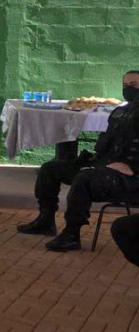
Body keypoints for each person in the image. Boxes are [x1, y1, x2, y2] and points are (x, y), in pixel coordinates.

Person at [16, 70, 139, 252]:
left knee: (84, 179)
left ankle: (72, 234)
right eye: (125, 86)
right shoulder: (120, 112)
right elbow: (105, 145)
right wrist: (92, 159)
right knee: (51, 169)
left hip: (129, 179)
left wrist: (134, 168)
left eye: (134, 85)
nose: (128, 89)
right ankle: (45, 220)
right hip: (105, 166)